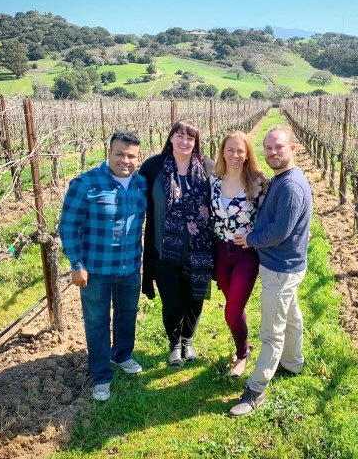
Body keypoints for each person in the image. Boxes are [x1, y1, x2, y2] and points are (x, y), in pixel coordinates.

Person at [229, 125, 312, 417]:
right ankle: (293, 362)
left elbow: (279, 231)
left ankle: (256, 389)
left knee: (271, 331)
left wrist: (250, 239)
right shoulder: (285, 179)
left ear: (293, 149)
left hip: (280, 267)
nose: (273, 152)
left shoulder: (290, 186)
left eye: (279, 147)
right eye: (268, 148)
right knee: (290, 316)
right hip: (287, 265)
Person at [59, 130, 147, 402]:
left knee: (127, 313)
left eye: (131, 156)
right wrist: (76, 264)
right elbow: (68, 226)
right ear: (109, 152)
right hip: (95, 271)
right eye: (119, 154)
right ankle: (101, 374)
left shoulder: (141, 184)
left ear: (138, 157)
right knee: (97, 322)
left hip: (130, 266)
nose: (125, 160)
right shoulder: (86, 184)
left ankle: (122, 356)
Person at [139, 119, 214, 367]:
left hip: (198, 250)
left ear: (196, 143)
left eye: (190, 138)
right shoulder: (153, 167)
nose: (184, 142)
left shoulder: (208, 167)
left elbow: (228, 194)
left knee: (194, 299)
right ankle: (174, 343)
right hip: (164, 251)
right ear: (170, 138)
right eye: (180, 136)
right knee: (171, 302)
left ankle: (188, 340)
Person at [210, 131, 267, 377]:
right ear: (222, 151)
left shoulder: (258, 181)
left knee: (231, 311)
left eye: (240, 151)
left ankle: (242, 354)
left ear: (247, 154)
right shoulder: (213, 180)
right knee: (235, 304)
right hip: (221, 252)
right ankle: (241, 347)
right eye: (230, 150)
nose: (235, 155)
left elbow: (276, 211)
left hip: (246, 254)